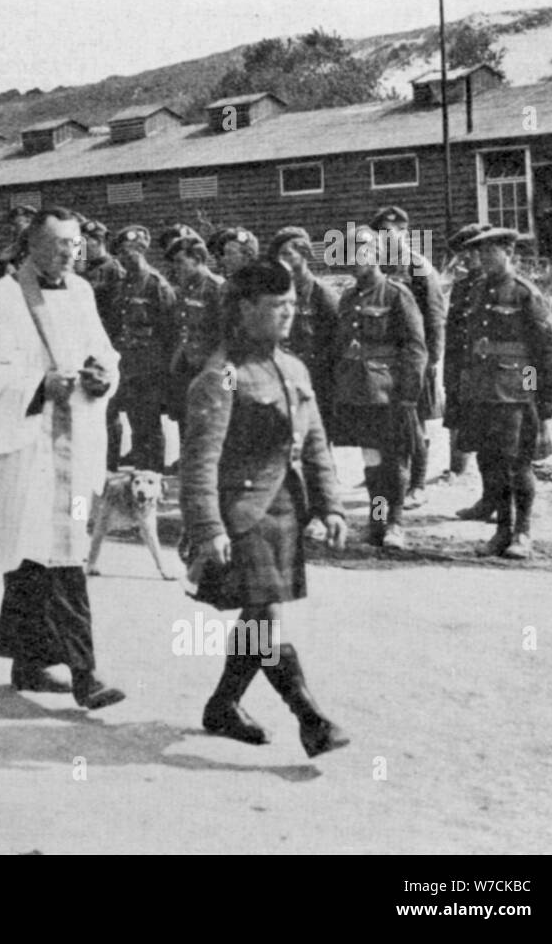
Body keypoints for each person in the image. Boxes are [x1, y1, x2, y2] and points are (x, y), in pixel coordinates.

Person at [0, 206, 125, 709]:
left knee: (43, 553)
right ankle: (85, 675)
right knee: (55, 556)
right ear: (29, 247)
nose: (67, 256)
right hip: (24, 446)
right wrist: (36, 385)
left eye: (74, 246)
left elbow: (105, 352)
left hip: (74, 442)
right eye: (56, 247)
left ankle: (27, 662)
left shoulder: (83, 292)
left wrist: (103, 378)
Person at [180, 259, 349, 758]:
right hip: (241, 514)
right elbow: (199, 461)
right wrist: (208, 526)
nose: (288, 314)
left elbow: (315, 442)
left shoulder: (294, 367)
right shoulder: (222, 375)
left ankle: (223, 705)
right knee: (263, 616)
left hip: (285, 510)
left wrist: (331, 507)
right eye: (277, 306)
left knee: (260, 616)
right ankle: (310, 718)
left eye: (292, 305)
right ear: (245, 308)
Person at [450, 227, 552, 559]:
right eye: (480, 252)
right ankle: (501, 531)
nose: (483, 258)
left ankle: (522, 532)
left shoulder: (525, 293)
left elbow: (546, 354)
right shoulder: (476, 291)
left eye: (490, 252)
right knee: (491, 462)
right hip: (481, 392)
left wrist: (537, 402)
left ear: (509, 253)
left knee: (517, 464)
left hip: (515, 395)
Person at [330, 226, 426, 549]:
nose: (355, 259)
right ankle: (377, 518)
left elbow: (415, 349)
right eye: (350, 253)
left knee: (394, 460)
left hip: (391, 394)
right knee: (371, 461)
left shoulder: (397, 294)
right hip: (359, 394)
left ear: (376, 255)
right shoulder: (347, 297)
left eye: (362, 251)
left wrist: (409, 396)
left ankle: (395, 524)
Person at [372, 206, 446, 510]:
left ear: (405, 233)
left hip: (416, 357)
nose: (389, 238)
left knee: (414, 421)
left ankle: (417, 484)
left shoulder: (418, 267)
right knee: (388, 420)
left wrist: (432, 360)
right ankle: (391, 476)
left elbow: (435, 316)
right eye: (383, 234)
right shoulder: (378, 268)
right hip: (384, 361)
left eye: (395, 232)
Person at [109, 225, 176, 471]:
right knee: (136, 423)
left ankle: (154, 474)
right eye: (123, 253)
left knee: (150, 424)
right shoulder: (123, 283)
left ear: (143, 251)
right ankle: (140, 472)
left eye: (133, 251)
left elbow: (169, 329)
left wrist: (165, 368)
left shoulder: (156, 284)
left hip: (150, 366)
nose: (127, 257)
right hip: (128, 364)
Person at [442, 223, 495, 518]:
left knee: (501, 446)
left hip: (498, 380)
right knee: (479, 441)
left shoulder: (507, 287)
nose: (466, 259)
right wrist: (451, 378)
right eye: (463, 253)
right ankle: (488, 501)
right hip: (465, 374)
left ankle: (508, 508)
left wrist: (531, 390)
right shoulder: (462, 287)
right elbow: (454, 336)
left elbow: (538, 349)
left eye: (471, 252)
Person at [266, 227, 339, 426]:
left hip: (315, 383)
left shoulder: (322, 295)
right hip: (281, 380)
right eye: (279, 255)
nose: (281, 260)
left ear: (305, 254)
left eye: (287, 254)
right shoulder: (276, 293)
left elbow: (337, 344)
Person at [164, 234, 224, 424]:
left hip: (210, 367)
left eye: (181, 262)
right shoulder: (184, 289)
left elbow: (228, 335)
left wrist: (228, 383)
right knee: (185, 419)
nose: (176, 267)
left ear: (197, 260)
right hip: (186, 366)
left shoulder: (217, 288)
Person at [78, 219, 124, 334]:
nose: (80, 247)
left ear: (99, 241)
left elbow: (116, 312)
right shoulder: (81, 270)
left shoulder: (114, 270)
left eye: (85, 241)